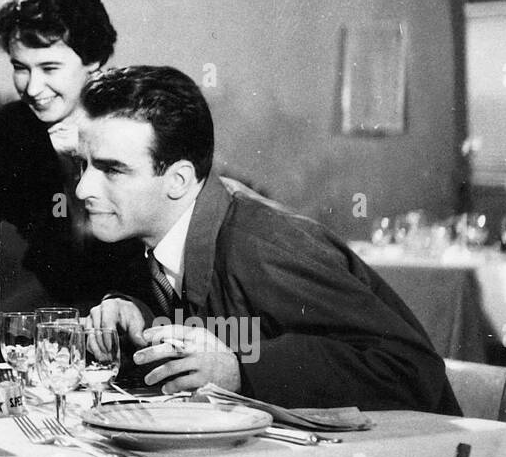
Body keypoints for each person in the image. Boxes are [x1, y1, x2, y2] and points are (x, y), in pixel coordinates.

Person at [77, 66, 459, 412]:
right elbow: (222, 329)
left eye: (112, 170)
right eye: (84, 165)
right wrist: (139, 318)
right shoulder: (155, 236)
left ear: (178, 180)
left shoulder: (263, 245)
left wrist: (241, 371)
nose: (82, 189)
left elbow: (411, 368)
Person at [0, 0, 147, 311]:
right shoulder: (6, 131)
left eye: (49, 67)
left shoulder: (134, 126)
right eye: (21, 67)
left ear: (93, 60)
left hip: (130, 314)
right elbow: (9, 257)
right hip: (39, 317)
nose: (31, 87)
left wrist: (80, 162)